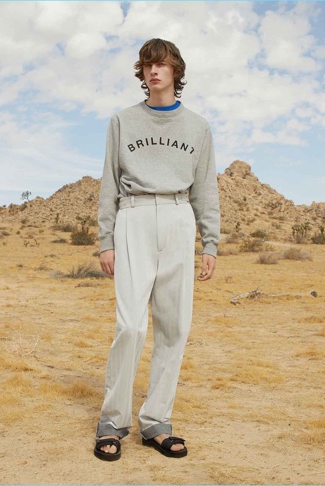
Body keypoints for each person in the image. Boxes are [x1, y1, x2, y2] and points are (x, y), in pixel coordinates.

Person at [94, 38, 220, 461]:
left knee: (174, 326)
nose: (154, 71)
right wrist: (105, 240)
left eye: (162, 65)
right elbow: (109, 184)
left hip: (179, 217)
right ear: (141, 72)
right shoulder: (122, 121)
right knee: (131, 326)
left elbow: (206, 189)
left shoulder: (198, 127)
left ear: (176, 72)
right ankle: (112, 421)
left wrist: (210, 242)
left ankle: (156, 422)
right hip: (133, 216)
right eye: (148, 65)